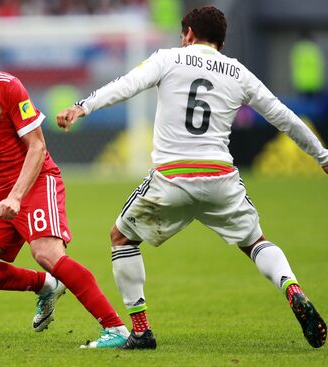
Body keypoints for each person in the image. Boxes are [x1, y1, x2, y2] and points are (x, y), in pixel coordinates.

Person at [57, 6, 327, 350]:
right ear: (222, 42)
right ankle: (292, 287)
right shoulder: (238, 72)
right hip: (221, 178)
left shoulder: (169, 58)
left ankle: (140, 330)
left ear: (187, 34)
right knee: (256, 242)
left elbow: (128, 84)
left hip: (172, 178)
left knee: (121, 238)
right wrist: (323, 156)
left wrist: (84, 106)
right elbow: (284, 117)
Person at [0, 25, 129, 349]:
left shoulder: (7, 88)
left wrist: (17, 196)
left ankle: (116, 329)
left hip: (35, 183)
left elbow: (37, 146)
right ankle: (46, 286)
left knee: (46, 252)